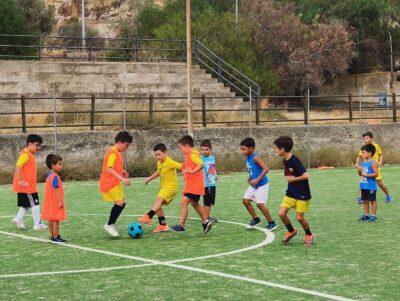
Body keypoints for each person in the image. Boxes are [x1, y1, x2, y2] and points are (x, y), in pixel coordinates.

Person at [274, 136, 314, 245]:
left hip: (302, 193)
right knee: (281, 213)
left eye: (276, 148)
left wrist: (293, 179)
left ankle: (309, 234)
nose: (275, 150)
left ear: (282, 149)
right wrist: (289, 178)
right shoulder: (285, 161)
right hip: (291, 192)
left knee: (299, 218)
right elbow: (288, 176)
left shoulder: (295, 160)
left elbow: (306, 175)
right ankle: (291, 231)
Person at [170, 135, 212, 234]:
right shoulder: (189, 155)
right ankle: (205, 221)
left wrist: (192, 172)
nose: (181, 150)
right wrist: (185, 172)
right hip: (193, 185)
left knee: (183, 202)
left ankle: (181, 225)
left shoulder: (193, 155)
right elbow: (188, 166)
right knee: (194, 203)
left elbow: (201, 164)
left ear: (187, 145)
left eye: (181, 148)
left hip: (194, 186)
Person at [138, 143, 182, 233]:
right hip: (164, 187)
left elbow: (181, 166)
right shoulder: (159, 162)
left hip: (171, 188)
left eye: (159, 154)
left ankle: (148, 216)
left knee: (158, 201)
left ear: (165, 153)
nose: (157, 157)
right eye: (156, 155)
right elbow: (158, 172)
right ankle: (163, 225)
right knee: (157, 205)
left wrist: (186, 172)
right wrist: (149, 179)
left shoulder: (170, 162)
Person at [12, 134, 48, 231]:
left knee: (26, 204)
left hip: (27, 185)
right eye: (37, 145)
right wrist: (20, 181)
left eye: (40, 145)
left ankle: (18, 218)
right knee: (35, 204)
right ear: (29, 144)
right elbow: (18, 166)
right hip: (27, 186)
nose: (38, 147)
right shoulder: (25, 155)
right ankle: (37, 224)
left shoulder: (28, 154)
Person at [100, 131, 133, 238]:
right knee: (120, 203)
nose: (127, 148)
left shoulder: (116, 152)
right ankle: (109, 224)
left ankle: (111, 224)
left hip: (114, 183)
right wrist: (122, 178)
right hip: (109, 183)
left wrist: (121, 171)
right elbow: (109, 168)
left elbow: (113, 166)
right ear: (120, 142)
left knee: (122, 204)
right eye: (126, 145)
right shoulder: (113, 153)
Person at [240, 137, 277, 231]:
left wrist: (257, 180)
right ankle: (256, 219)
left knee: (260, 204)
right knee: (245, 201)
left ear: (251, 149)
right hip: (253, 184)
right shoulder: (247, 158)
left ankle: (272, 223)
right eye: (241, 149)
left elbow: (266, 168)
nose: (242, 151)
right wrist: (250, 177)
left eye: (244, 149)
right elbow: (252, 170)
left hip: (262, 184)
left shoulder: (255, 157)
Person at [355, 132, 392, 203]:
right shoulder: (364, 148)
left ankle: (388, 195)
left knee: (380, 183)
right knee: (363, 181)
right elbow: (359, 156)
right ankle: (361, 197)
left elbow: (380, 154)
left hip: (375, 167)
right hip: (366, 167)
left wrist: (380, 162)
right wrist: (357, 163)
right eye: (364, 138)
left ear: (371, 138)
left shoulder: (376, 146)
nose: (365, 140)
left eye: (367, 138)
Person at [41, 154, 67, 243]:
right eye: (59, 164)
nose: (61, 166)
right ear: (53, 165)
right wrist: (60, 201)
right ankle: (56, 236)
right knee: (56, 219)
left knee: (51, 219)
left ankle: (52, 236)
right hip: (55, 201)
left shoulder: (49, 175)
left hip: (49, 201)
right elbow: (56, 188)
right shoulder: (55, 176)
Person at [357, 144, 378, 222]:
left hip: (371, 186)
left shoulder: (373, 163)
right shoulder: (363, 163)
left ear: (369, 153)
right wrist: (359, 171)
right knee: (365, 201)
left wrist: (366, 175)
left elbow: (376, 174)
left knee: (373, 201)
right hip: (363, 185)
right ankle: (366, 215)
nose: (361, 154)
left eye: (363, 152)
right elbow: (360, 174)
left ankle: (374, 216)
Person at [199, 139, 218, 224]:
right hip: (205, 184)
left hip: (212, 183)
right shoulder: (200, 159)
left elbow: (212, 167)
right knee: (207, 201)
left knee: (209, 201)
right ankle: (206, 219)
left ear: (210, 149)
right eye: (202, 149)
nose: (204, 151)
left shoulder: (212, 157)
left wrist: (215, 174)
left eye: (206, 149)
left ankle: (207, 216)